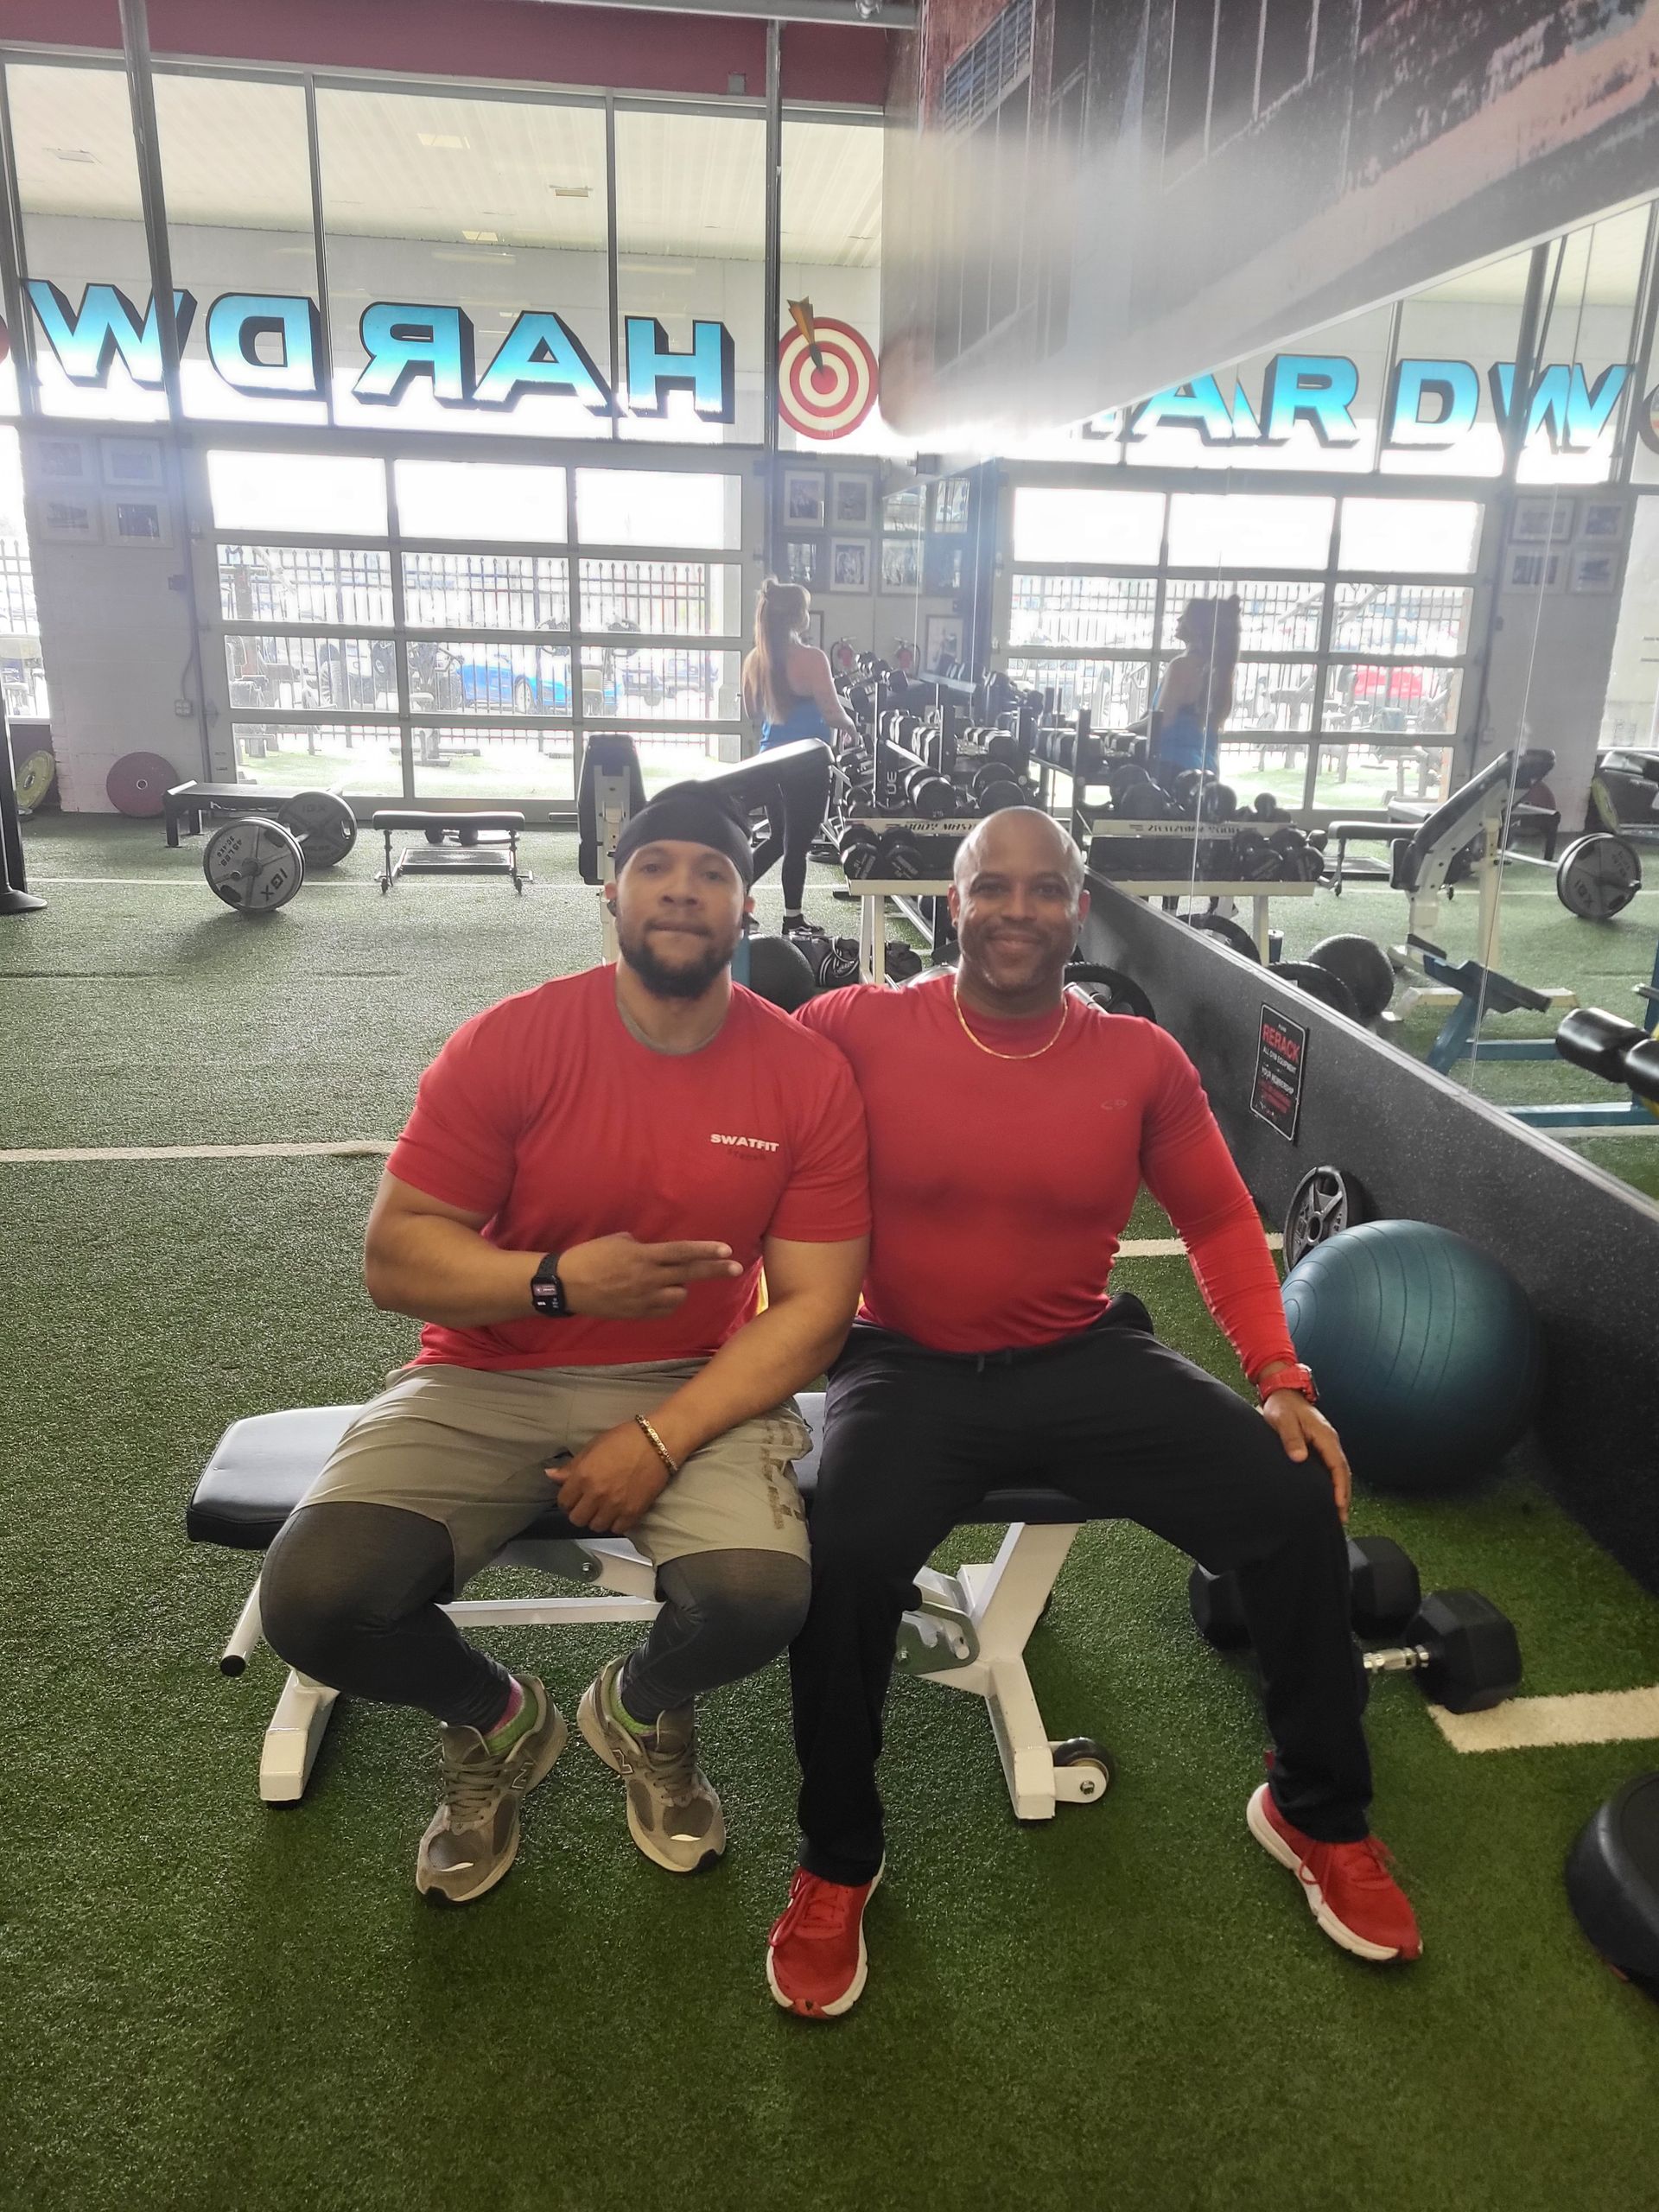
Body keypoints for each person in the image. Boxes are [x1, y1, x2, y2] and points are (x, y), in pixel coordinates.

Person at [765, 806, 1420, 2019]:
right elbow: (740, 1117)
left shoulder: (1138, 1060)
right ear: (953, 902)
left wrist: (1281, 1375)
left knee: (1290, 1497)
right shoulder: (854, 1026)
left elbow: (1223, 1222)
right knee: (841, 1557)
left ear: (1081, 904)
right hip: (902, 1364)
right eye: (992, 887)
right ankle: (839, 1856)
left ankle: (1313, 1811)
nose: (1018, 910)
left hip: (1080, 1355)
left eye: (1046, 889)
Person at [260, 785, 869, 1905]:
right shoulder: (514, 1042)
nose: (683, 887)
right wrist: (553, 1283)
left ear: (745, 911)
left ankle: (637, 1706)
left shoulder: (803, 1074)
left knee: (757, 1598)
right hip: (486, 1368)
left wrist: (658, 1434)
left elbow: (816, 1309)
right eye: (657, 867)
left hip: (694, 1377)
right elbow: (394, 1257)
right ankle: (498, 1719)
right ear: (614, 893)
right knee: (314, 1601)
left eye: (712, 873)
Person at [741, 576, 859, 939]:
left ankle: (733, 898)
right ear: (796, 617)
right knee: (797, 844)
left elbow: (751, 712)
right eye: (805, 609)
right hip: (807, 763)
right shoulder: (812, 658)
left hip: (770, 760)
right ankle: (793, 919)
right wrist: (853, 727)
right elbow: (832, 711)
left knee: (778, 840)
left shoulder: (755, 659)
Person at [1140, 594, 1241, 788]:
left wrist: (1117, 733)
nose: (1178, 620)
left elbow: (1161, 721)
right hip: (1207, 770)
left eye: (1184, 616)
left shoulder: (1182, 666)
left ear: (1197, 627)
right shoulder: (1222, 669)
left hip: (1173, 771)